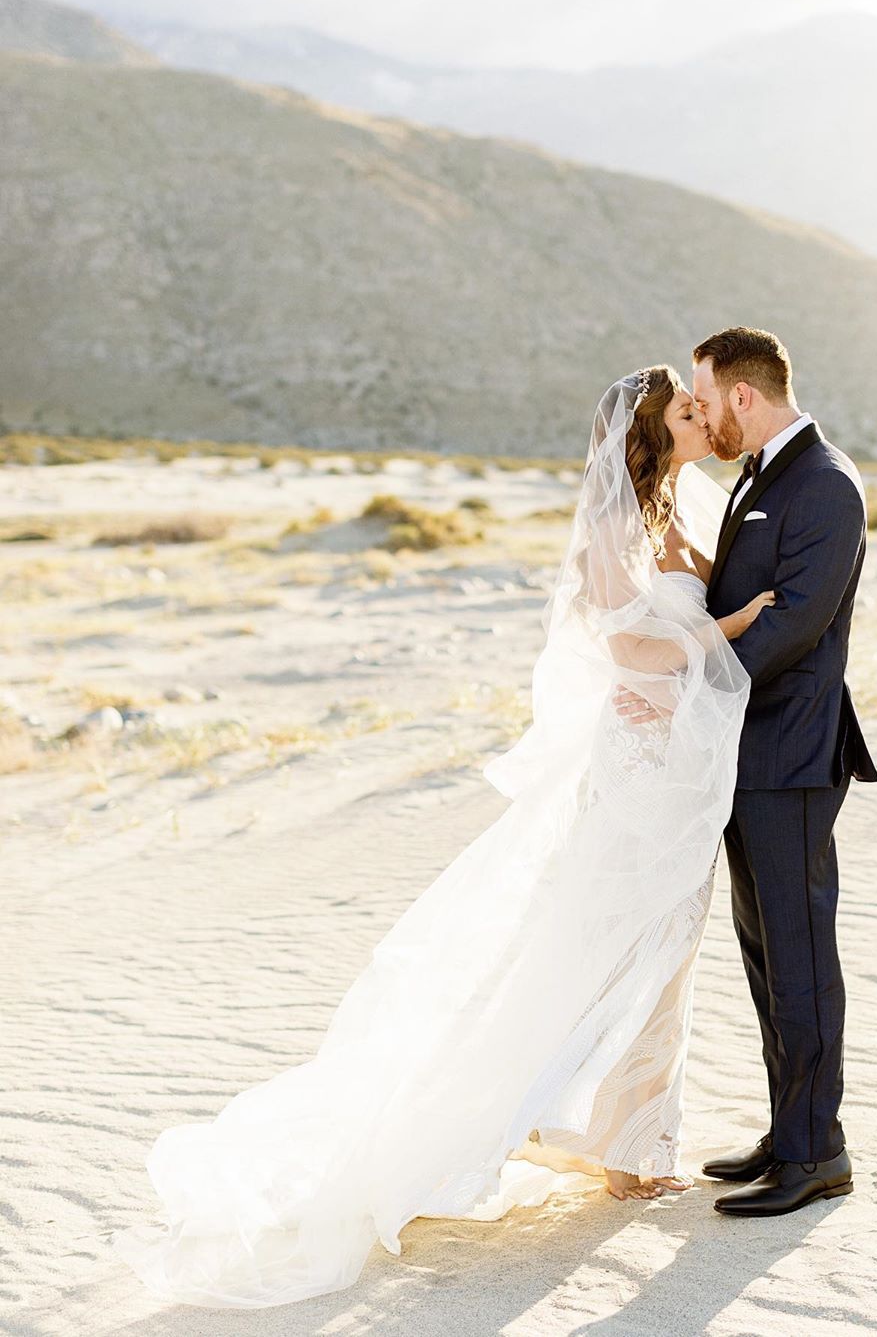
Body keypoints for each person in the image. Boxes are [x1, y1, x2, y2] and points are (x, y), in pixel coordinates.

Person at [111, 366, 768, 1309]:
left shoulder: (687, 511)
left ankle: (628, 1147)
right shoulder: (613, 527)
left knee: (667, 952)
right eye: (688, 409)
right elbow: (632, 652)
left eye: (705, 406)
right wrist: (735, 627)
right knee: (616, 945)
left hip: (681, 771)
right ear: (648, 433)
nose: (703, 416)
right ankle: (575, 1137)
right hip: (636, 772)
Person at [618, 327, 877, 1217]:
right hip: (742, 753)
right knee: (767, 953)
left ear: (740, 396)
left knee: (800, 954)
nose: (702, 414)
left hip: (792, 757)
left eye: (704, 394)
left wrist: (691, 682)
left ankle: (818, 1154)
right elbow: (731, 600)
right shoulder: (756, 480)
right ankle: (787, 1131)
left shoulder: (826, 485)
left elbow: (793, 625)